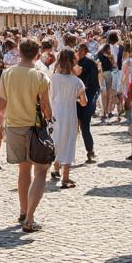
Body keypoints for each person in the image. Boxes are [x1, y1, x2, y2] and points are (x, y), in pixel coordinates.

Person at [0, 38, 53, 233]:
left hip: (13, 126)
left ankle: (22, 210)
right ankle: (29, 218)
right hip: (34, 128)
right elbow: (46, 109)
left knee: (23, 171)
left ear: (19, 52)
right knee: (41, 171)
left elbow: (1, 105)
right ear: (37, 55)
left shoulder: (7, 74)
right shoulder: (40, 77)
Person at [48, 49, 87, 189]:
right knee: (69, 143)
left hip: (54, 115)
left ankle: (55, 167)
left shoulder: (53, 78)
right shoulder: (77, 82)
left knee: (56, 140)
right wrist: (75, 98)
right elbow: (84, 101)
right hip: (70, 116)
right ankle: (65, 178)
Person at [75, 43, 99, 164]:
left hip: (86, 98)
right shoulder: (75, 63)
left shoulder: (88, 63)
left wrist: (91, 98)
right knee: (79, 127)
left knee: (84, 126)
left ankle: (90, 151)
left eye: (79, 50)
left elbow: (94, 83)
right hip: (77, 99)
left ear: (84, 50)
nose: (77, 52)